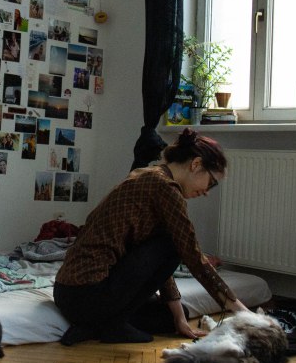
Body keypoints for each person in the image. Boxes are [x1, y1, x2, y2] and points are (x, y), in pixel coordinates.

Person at [53, 128, 250, 346]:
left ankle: (92, 327)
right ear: (196, 164)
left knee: (170, 317)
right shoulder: (165, 187)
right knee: (173, 244)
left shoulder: (149, 176)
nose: (207, 192)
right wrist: (241, 311)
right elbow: (191, 254)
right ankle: (110, 326)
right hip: (86, 293)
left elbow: (158, 264)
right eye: (211, 182)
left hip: (68, 296)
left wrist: (179, 317)